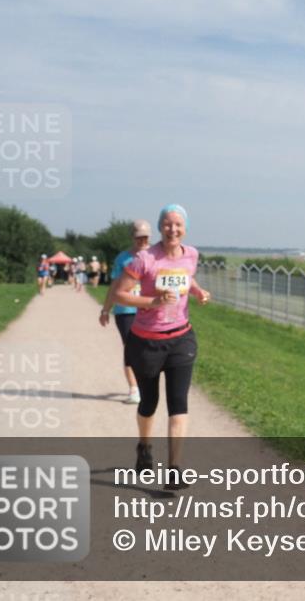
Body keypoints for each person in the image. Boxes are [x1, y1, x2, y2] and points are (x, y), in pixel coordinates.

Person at [112, 204, 210, 487]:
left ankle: (174, 469)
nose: (173, 229)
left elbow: (186, 276)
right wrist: (151, 302)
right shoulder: (145, 259)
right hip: (146, 341)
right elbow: (120, 294)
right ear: (160, 227)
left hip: (181, 338)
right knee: (149, 402)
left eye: (178, 224)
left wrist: (198, 291)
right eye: (167, 224)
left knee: (178, 403)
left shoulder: (191, 254)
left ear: (185, 228)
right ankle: (144, 446)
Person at [99, 220, 152, 404]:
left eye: (145, 238)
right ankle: (134, 389)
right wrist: (106, 309)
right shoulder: (122, 259)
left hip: (149, 309)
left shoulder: (156, 256)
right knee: (130, 350)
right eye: (139, 238)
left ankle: (146, 385)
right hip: (126, 311)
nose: (142, 241)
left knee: (148, 350)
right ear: (132, 237)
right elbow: (114, 286)